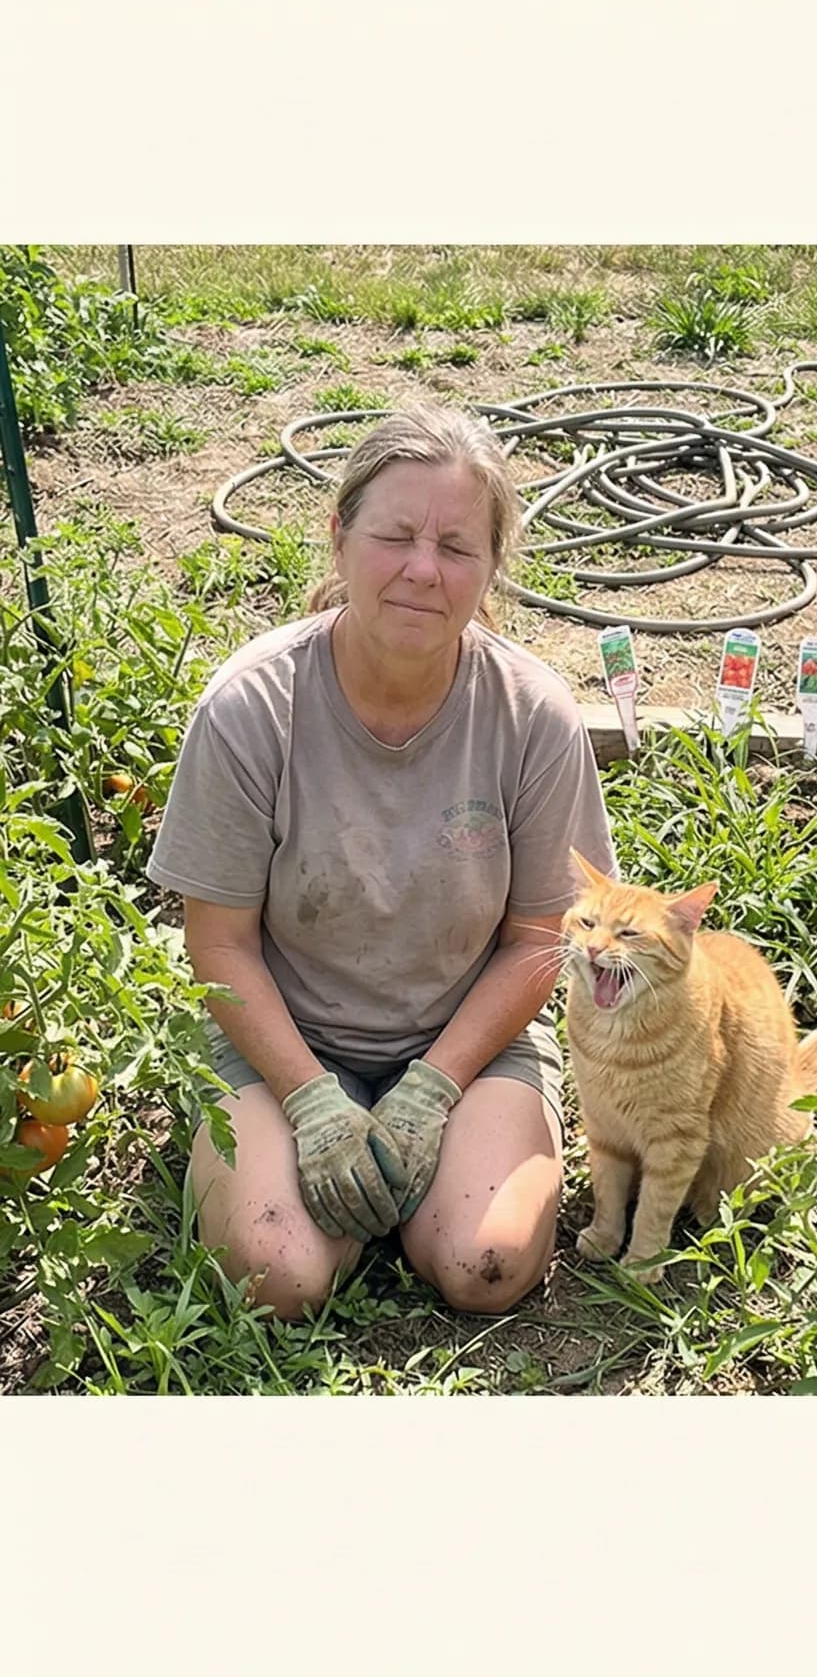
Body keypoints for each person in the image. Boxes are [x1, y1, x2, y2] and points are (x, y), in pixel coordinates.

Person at [148, 404, 618, 1320]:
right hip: (283, 1039)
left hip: (468, 1049)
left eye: (455, 547)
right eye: (395, 535)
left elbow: (537, 937)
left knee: (490, 1261)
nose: (421, 569)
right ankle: (310, 1181)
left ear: (490, 571)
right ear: (339, 537)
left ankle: (419, 1188)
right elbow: (221, 946)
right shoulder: (252, 708)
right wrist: (314, 1104)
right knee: (278, 1277)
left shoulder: (533, 715)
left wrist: (433, 1091)